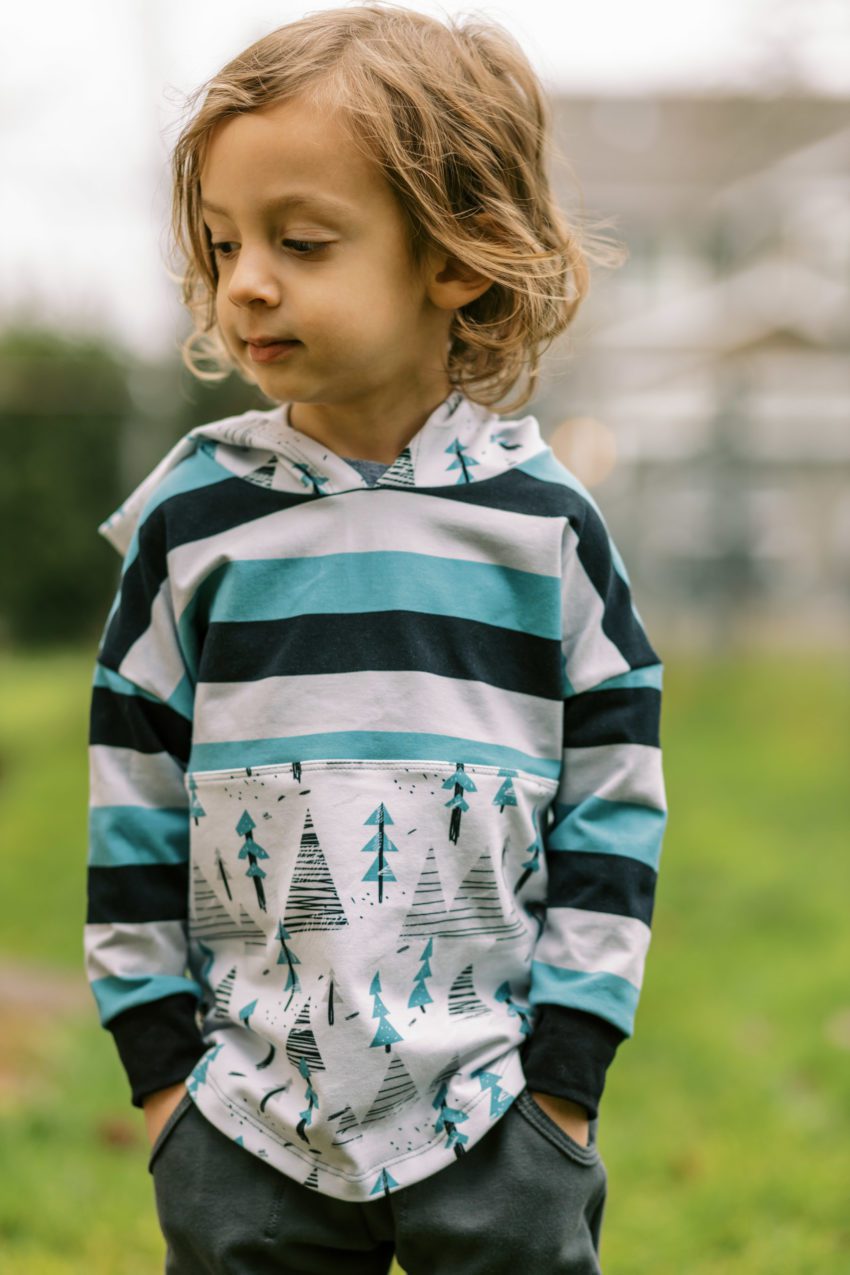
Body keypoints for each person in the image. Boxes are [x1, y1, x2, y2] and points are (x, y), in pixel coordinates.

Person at [84, 5, 668, 1271]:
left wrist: (563, 1081)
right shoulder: (193, 528)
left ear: (454, 258)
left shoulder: (545, 530)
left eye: (300, 240)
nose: (245, 279)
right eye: (223, 241)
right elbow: (129, 799)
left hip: (498, 1115)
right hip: (242, 1124)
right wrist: (164, 1084)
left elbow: (616, 802)